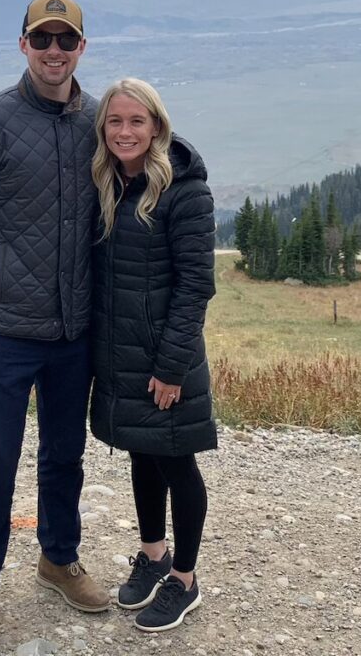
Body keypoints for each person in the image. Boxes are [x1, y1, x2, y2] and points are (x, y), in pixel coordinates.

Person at [0, 0, 109, 647]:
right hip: (2, 329)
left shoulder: (100, 119)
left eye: (66, 41)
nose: (55, 52)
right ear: (23, 45)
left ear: (82, 49)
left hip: (73, 331)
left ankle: (58, 559)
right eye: (43, 40)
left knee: (65, 457)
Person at [89, 78, 217, 633]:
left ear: (157, 127)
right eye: (115, 122)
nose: (125, 131)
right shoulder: (108, 183)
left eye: (136, 121)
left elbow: (195, 287)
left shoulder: (185, 192)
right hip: (120, 353)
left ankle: (184, 580)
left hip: (167, 356)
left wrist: (169, 368)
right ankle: (154, 553)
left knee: (175, 460)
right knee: (142, 453)